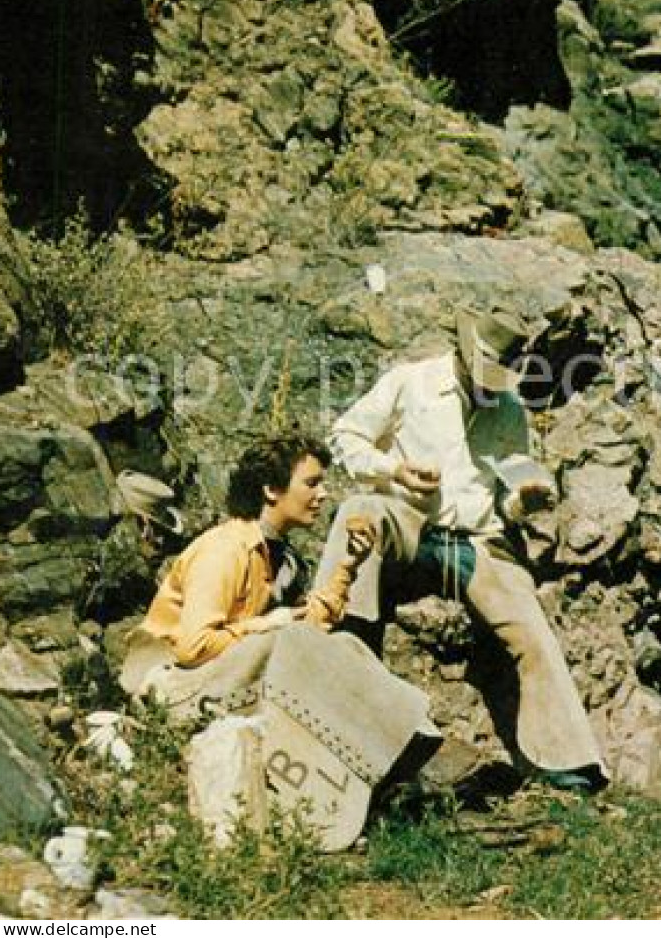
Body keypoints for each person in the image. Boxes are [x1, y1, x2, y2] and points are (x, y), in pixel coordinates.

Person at [310, 306, 608, 793]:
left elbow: (504, 498)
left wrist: (524, 502)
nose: (490, 386)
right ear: (464, 356)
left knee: (530, 630)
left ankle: (566, 763)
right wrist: (394, 471)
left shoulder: (511, 410)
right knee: (359, 511)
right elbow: (345, 436)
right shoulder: (411, 383)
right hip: (407, 524)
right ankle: (334, 639)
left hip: (475, 542)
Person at [119, 433, 439, 851]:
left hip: (227, 673)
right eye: (311, 483)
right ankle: (340, 802)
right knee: (284, 640)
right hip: (176, 688)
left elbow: (308, 626)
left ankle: (400, 740)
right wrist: (265, 626)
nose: (322, 495)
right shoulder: (222, 550)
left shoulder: (276, 554)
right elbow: (192, 646)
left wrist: (347, 566)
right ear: (271, 490)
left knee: (341, 646)